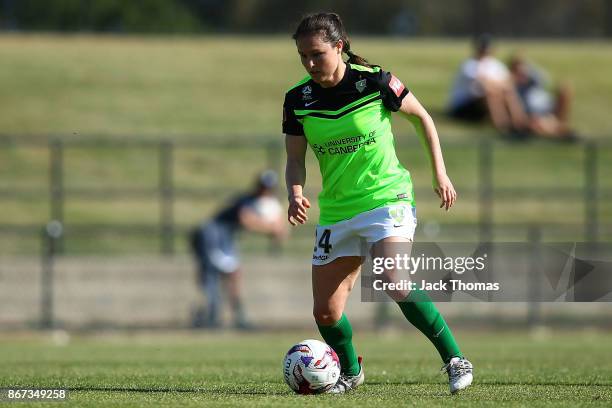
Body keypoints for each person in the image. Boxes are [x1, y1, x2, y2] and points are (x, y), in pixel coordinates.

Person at [283, 12, 473, 394]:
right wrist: (296, 193)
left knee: (394, 280)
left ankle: (455, 359)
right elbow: (294, 160)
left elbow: (422, 119)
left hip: (388, 199)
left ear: (339, 47)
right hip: (337, 211)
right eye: (303, 56)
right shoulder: (297, 99)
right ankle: (351, 373)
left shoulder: (375, 81)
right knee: (326, 312)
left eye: (317, 54)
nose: (309, 63)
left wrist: (440, 173)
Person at [189, 170, 286, 329]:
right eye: (262, 187)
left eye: (268, 188)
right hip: (212, 236)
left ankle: (234, 316)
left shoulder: (268, 204)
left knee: (233, 273)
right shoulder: (248, 201)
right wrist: (270, 229)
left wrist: (278, 229)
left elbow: (279, 228)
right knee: (212, 275)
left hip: (225, 238)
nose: (265, 191)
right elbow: (246, 220)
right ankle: (211, 315)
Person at [448, 34, 528, 136]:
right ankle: (502, 127)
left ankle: (519, 124)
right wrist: (500, 85)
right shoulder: (469, 65)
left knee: (508, 93)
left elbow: (509, 83)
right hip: (463, 107)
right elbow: (484, 84)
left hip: (485, 104)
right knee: (491, 94)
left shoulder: (495, 64)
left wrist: (501, 86)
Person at [508, 54, 577, 141]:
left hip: (551, 110)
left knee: (565, 89)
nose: (522, 74)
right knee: (538, 123)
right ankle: (561, 133)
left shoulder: (533, 81)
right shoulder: (514, 89)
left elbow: (545, 78)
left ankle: (559, 130)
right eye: (518, 71)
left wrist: (528, 67)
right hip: (535, 117)